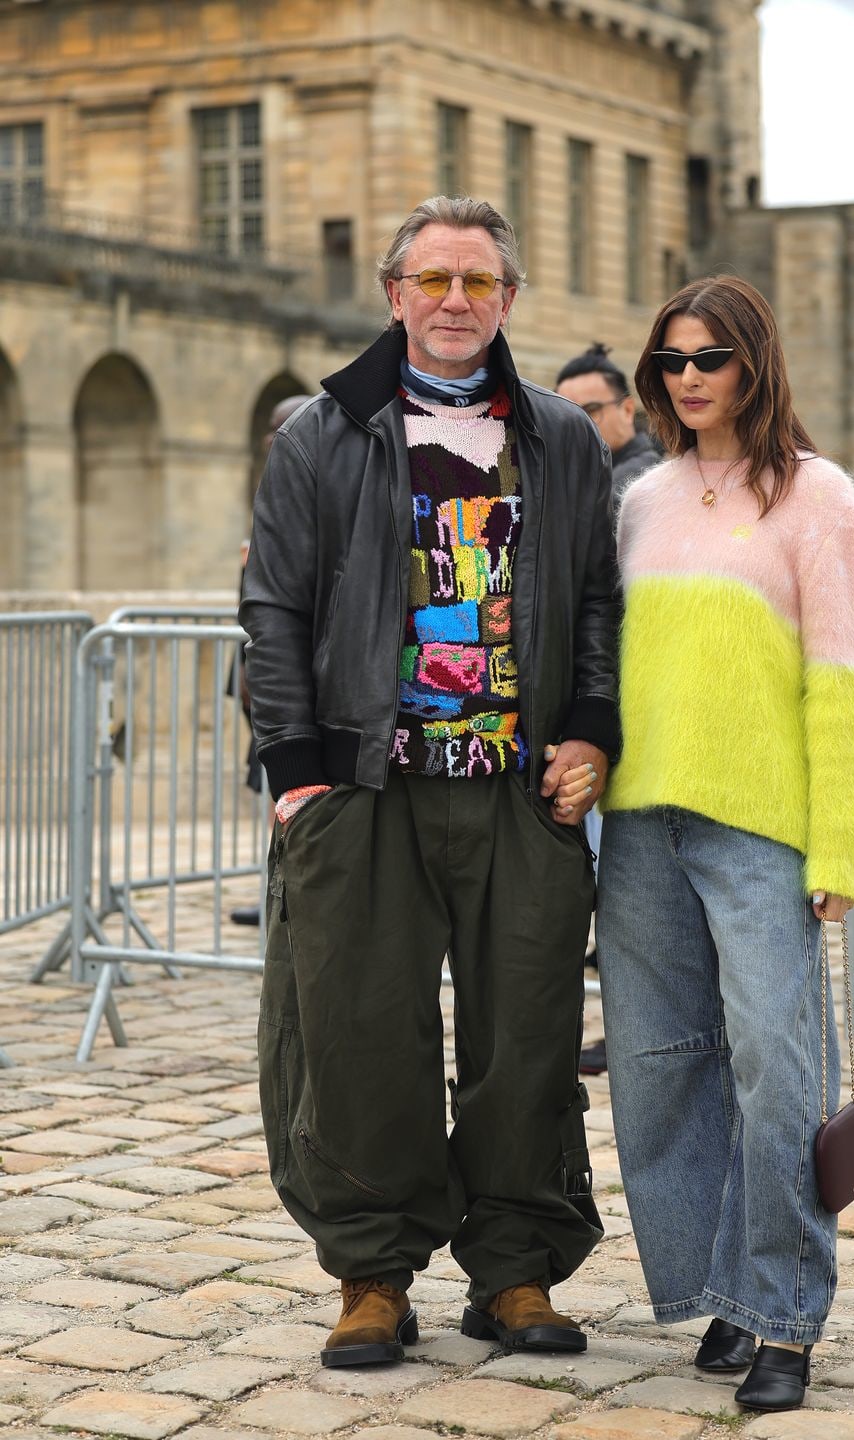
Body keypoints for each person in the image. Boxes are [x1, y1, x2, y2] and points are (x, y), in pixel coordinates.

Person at [240, 195, 620, 1368]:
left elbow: (601, 604)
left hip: (516, 789)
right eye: (434, 279)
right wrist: (298, 775)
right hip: (368, 786)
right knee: (360, 1036)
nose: (457, 301)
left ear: (509, 299)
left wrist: (591, 731)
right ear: (394, 292)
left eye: (480, 283)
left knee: (526, 1037)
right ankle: (372, 1271)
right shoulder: (320, 432)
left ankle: (514, 1271)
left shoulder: (559, 436)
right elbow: (273, 608)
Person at [587, 275, 854, 1414]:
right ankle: (724, 1291)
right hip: (643, 827)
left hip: (762, 831)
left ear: (755, 361)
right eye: (671, 362)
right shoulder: (644, 499)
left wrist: (836, 855)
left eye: (709, 357)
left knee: (776, 1072)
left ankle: (786, 1318)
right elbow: (617, 664)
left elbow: (841, 685)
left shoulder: (819, 500)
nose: (689, 378)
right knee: (662, 1072)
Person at [554, 345, 662, 1077]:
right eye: (570, 412)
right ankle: (628, 1031)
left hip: (631, 713)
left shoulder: (639, 484)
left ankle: (637, 1034)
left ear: (627, 408)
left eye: (593, 409)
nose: (583, 424)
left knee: (630, 903)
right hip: (600, 710)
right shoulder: (592, 475)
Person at [231, 394, 311, 927]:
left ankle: (285, 898)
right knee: (270, 789)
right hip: (261, 659)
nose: (270, 442)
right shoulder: (274, 484)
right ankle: (274, 894)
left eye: (277, 431)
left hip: (290, 679)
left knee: (285, 792)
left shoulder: (303, 480)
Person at [555, 344, 663, 513]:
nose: (578, 425)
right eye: (566, 415)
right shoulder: (579, 475)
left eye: (590, 410)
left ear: (627, 410)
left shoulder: (641, 477)